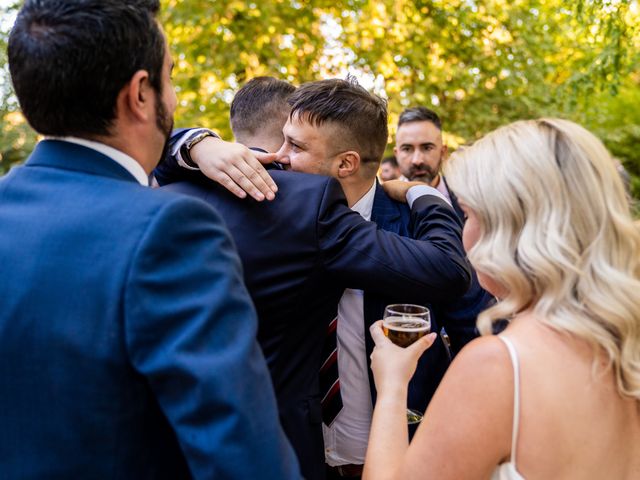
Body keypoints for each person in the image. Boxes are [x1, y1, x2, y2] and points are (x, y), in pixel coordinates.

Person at [1, 2, 300, 478]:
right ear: (141, 93)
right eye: (172, 78)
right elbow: (242, 458)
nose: (176, 98)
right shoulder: (171, 230)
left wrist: (195, 144)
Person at [155, 77, 471, 480]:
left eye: (296, 146)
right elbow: (157, 154)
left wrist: (421, 196)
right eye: (282, 139)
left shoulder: (405, 225)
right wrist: (201, 143)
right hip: (292, 451)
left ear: (346, 163)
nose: (278, 156)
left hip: (390, 454)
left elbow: (463, 310)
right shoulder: (259, 190)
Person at [364, 118, 640, 479]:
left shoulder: (499, 366)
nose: (464, 233)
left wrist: (392, 385)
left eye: (469, 214)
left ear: (510, 228)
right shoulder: (622, 337)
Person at [395, 106, 495, 353]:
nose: (417, 159)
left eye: (426, 148)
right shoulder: (381, 207)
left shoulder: (475, 198)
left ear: (443, 151)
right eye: (407, 149)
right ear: (396, 154)